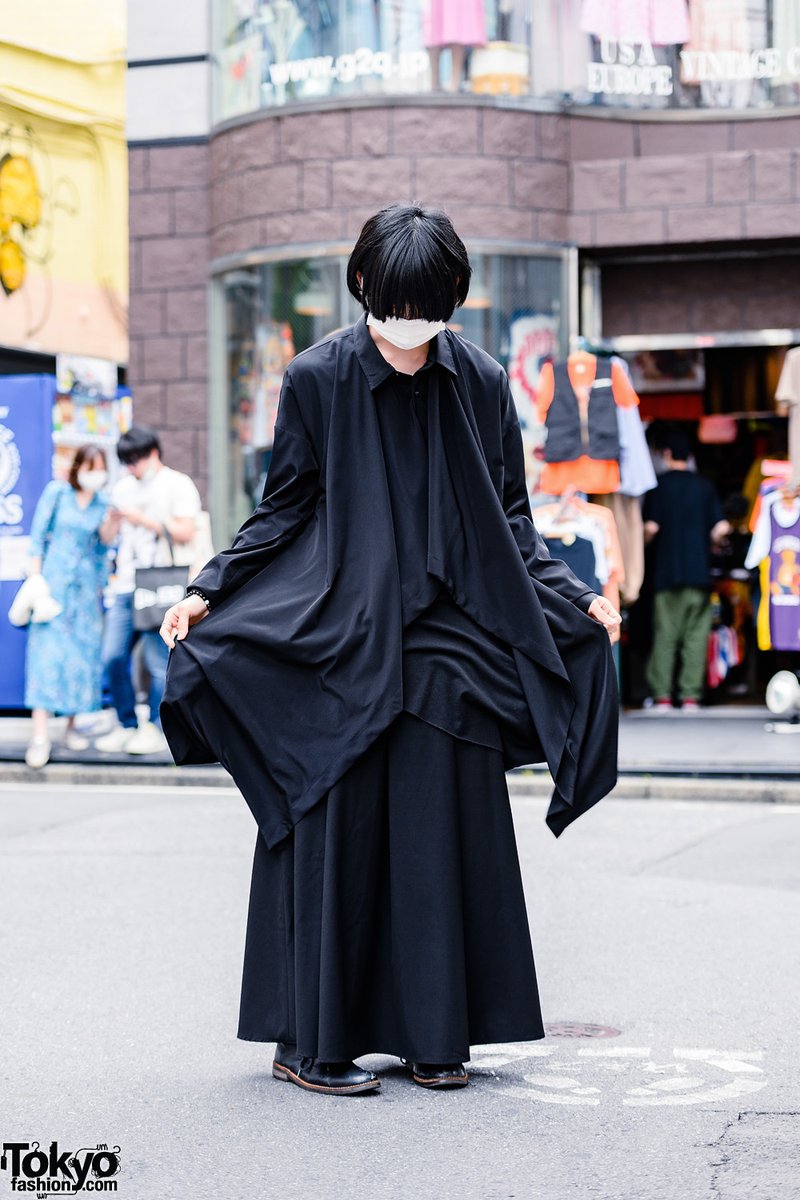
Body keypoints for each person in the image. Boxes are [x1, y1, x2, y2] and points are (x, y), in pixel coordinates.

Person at [159, 203, 621, 1097]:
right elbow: (285, 506)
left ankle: (435, 1033)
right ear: (364, 285)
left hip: (450, 635)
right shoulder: (317, 377)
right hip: (340, 624)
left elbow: (512, 522)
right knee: (336, 820)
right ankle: (309, 1041)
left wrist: (575, 598)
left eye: (428, 307)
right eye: (394, 305)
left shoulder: (480, 380)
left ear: (455, 296)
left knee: (444, 822)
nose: (408, 324)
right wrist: (208, 588)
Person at [95, 426, 200, 756]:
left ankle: (153, 727)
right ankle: (126, 723)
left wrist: (143, 519)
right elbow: (107, 537)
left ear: (153, 453)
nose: (131, 467)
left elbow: (186, 531)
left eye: (135, 460)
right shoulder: (122, 488)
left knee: (158, 662)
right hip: (125, 585)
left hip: (159, 584)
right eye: (126, 461)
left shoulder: (177, 483)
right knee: (111, 657)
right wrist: (114, 521)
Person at [23, 446, 116, 769]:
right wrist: (36, 581)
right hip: (53, 586)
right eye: (90, 466)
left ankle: (72, 725)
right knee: (46, 657)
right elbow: (38, 538)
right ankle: (40, 736)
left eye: (100, 467)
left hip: (86, 592)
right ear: (78, 468)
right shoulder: (57, 493)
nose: (96, 473)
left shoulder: (103, 503)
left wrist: (113, 523)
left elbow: (104, 546)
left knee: (80, 659)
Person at [644, 428, 730, 711]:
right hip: (699, 574)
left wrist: (639, 545)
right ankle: (691, 696)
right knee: (696, 637)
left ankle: (663, 697)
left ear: (666, 455)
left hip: (666, 573)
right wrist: (712, 542)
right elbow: (721, 528)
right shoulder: (705, 486)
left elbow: (651, 528)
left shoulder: (657, 487)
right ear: (690, 456)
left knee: (666, 636)